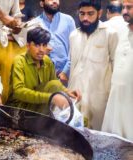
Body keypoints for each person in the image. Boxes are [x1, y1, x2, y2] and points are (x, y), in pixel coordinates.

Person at [68, 0, 118, 130]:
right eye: (82, 14)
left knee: (97, 135)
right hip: (76, 95)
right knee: (74, 133)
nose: (85, 18)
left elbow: (115, 66)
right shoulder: (74, 35)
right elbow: (72, 64)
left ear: (99, 13)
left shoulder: (110, 34)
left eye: (90, 14)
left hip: (99, 98)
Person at [7, 27, 81, 114]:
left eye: (44, 45)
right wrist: (51, 98)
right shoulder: (19, 61)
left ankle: (43, 121)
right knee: (53, 90)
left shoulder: (47, 61)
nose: (41, 50)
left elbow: (55, 84)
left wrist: (67, 92)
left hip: (37, 108)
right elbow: (18, 92)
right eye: (37, 45)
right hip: (18, 110)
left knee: (54, 84)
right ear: (28, 45)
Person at [102, 0, 133, 140]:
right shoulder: (121, 32)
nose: (125, 12)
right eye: (124, 7)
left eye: (130, 7)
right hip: (116, 99)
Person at [35, 0, 76, 85]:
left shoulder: (68, 20)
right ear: (41, 3)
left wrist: (65, 71)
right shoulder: (35, 23)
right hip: (43, 76)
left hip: (66, 76)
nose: (54, 1)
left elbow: (74, 48)